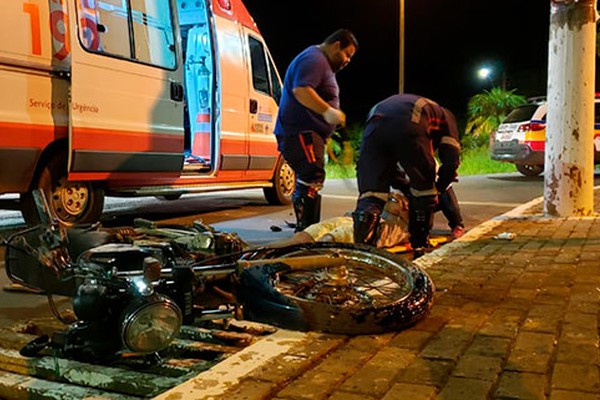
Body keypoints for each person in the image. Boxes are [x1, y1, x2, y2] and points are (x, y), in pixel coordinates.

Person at [352, 94, 461, 256]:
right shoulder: (446, 116)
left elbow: (389, 173)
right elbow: (451, 160)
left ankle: (362, 253)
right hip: (409, 126)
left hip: (372, 131)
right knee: (425, 192)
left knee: (371, 194)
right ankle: (419, 246)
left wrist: (408, 190)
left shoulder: (399, 108)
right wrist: (437, 188)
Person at [274, 29, 359, 232]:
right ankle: (306, 232)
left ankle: (308, 229)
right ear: (336, 45)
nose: (348, 61)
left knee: (311, 177)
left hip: (307, 133)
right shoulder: (315, 60)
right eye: (347, 54)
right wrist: (327, 111)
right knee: (311, 176)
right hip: (300, 131)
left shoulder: (320, 62)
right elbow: (301, 90)